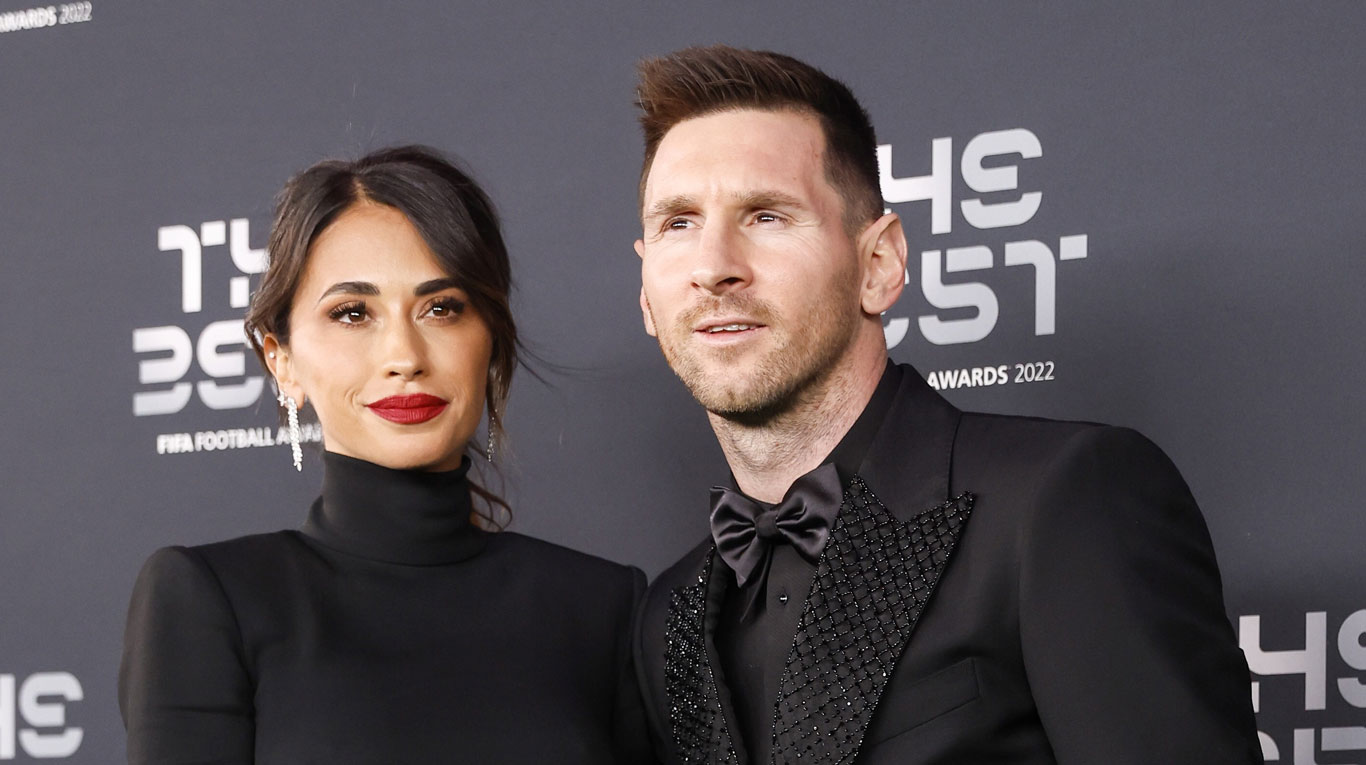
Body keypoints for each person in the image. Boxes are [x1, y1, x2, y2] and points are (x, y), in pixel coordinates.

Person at [629, 46, 1261, 764]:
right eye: (679, 222)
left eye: (767, 215)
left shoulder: (1063, 499)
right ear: (648, 294)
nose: (714, 265)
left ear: (880, 265)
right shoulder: (669, 615)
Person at [119, 145, 652, 764]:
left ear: (492, 342)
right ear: (281, 360)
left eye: (442, 308)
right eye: (352, 313)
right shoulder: (210, 600)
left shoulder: (603, 604)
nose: (404, 354)